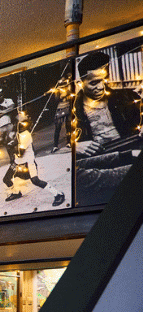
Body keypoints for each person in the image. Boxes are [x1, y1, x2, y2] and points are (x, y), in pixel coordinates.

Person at [72, 50, 143, 204]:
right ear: (80, 83)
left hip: (131, 150)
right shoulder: (72, 111)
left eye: (104, 80)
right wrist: (75, 146)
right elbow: (63, 150)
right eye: (93, 82)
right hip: (98, 164)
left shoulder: (126, 97)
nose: (101, 87)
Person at [2, 118, 66, 206]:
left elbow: (20, 153)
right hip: (17, 162)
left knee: (35, 181)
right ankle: (16, 193)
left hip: (28, 162)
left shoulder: (26, 135)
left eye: (20, 124)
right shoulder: (19, 133)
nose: (17, 125)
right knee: (6, 179)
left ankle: (58, 194)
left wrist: (11, 147)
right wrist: (12, 144)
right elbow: (14, 143)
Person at [0, 87, 18, 172]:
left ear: (3, 94)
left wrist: (0, 113)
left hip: (8, 125)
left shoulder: (9, 100)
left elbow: (12, 108)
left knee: (9, 143)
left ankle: (12, 160)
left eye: (0, 95)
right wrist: (6, 111)